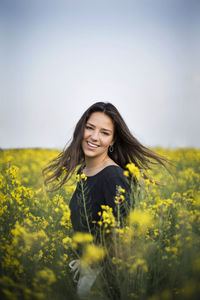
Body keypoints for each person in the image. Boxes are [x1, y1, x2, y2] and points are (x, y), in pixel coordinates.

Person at [42, 102, 171, 299]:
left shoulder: (113, 178)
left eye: (104, 133)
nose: (94, 137)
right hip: (84, 276)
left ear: (112, 140)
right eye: (90, 128)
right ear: (81, 129)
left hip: (102, 284)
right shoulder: (83, 172)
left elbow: (123, 242)